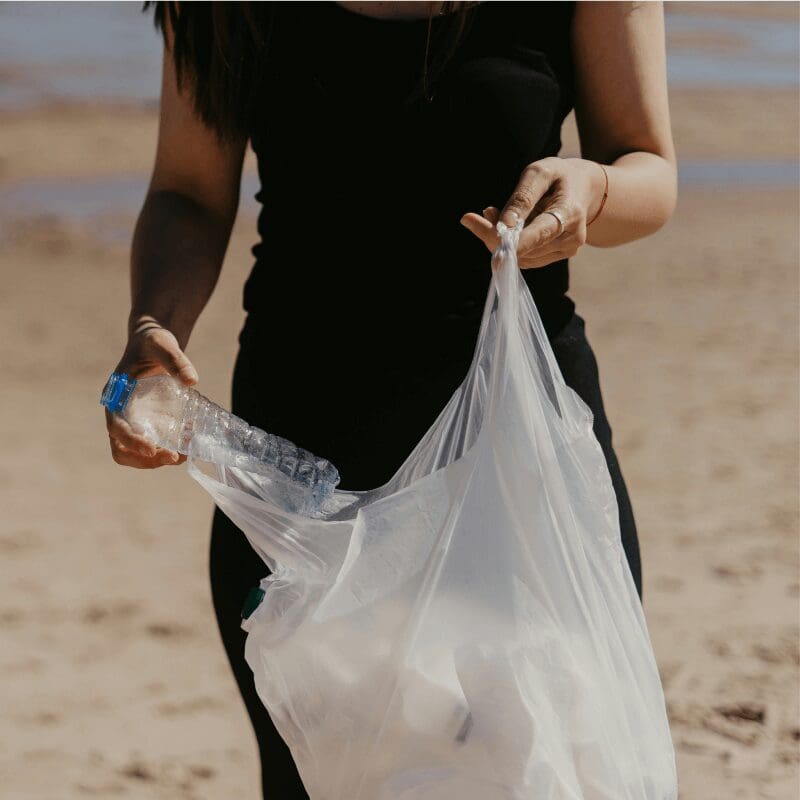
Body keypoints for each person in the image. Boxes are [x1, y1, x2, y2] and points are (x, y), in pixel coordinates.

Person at [104, 2, 677, 796]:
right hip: (299, 472)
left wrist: (595, 188)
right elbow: (190, 190)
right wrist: (153, 327)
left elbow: (648, 165)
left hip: (520, 459)